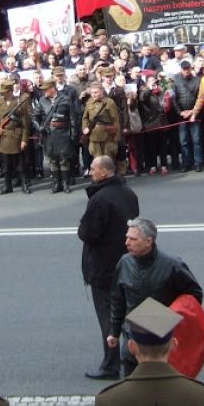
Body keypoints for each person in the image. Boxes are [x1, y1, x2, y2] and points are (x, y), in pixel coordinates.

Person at [106, 218, 204, 377]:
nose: (127, 242)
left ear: (148, 241)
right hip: (132, 339)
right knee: (133, 388)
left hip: (161, 343)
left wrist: (169, 318)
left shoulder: (172, 266)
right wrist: (114, 332)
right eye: (127, 237)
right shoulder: (124, 263)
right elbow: (118, 300)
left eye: (133, 239)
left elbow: (194, 297)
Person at [78, 155, 140, 380]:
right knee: (127, 314)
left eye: (93, 169)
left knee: (108, 318)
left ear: (104, 172)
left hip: (104, 268)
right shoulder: (128, 194)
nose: (90, 172)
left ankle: (110, 364)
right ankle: (135, 357)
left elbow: (88, 233)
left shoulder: (99, 200)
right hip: (126, 263)